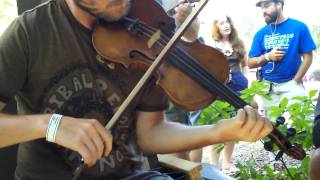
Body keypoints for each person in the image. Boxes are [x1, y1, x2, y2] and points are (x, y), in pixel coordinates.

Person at [0, 0, 272, 179]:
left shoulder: (146, 20)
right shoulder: (29, 33)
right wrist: (49, 125)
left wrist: (218, 132)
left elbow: (149, 133)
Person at [190, 15, 249, 170]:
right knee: (217, 125)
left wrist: (248, 84)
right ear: (216, 26)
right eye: (222, 22)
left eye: (228, 21)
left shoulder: (238, 43)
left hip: (239, 89)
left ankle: (227, 162)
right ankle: (214, 165)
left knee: (234, 125)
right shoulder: (211, 45)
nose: (226, 25)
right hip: (220, 90)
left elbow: (245, 66)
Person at [248, 0, 317, 117]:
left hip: (292, 83)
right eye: (262, 8)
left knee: (302, 121)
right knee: (268, 126)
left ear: (279, 4)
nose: (263, 11)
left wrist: (296, 80)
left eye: (267, 6)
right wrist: (268, 56)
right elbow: (250, 63)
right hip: (267, 87)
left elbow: (308, 56)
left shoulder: (299, 27)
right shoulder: (260, 34)